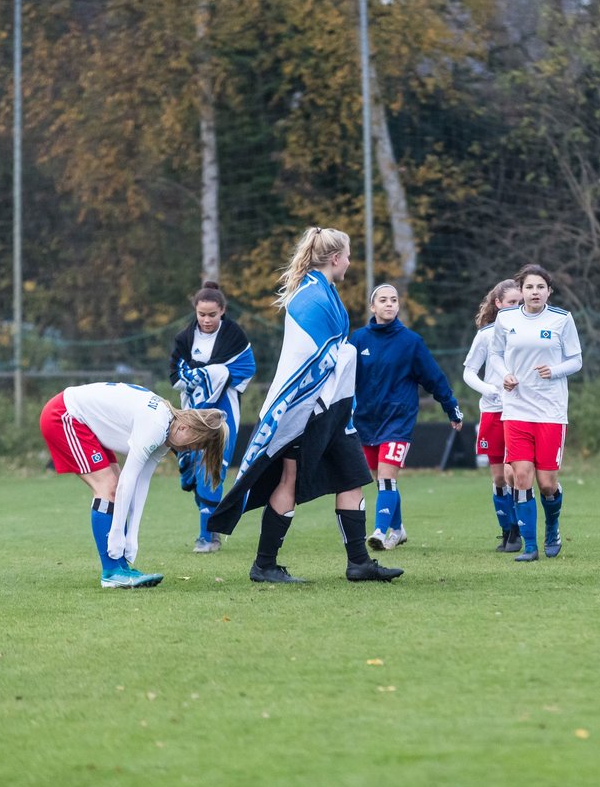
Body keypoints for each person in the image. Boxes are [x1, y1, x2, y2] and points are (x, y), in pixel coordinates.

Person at [207, 227, 402, 584]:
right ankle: (264, 565)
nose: (349, 261)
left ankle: (358, 563)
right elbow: (312, 359)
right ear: (334, 258)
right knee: (290, 479)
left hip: (332, 409)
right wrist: (345, 357)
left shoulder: (322, 291)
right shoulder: (312, 298)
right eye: (347, 255)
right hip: (304, 409)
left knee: (353, 476)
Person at [39, 382, 228, 589]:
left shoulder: (168, 430)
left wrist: (132, 537)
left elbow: (141, 482)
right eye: (193, 444)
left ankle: (121, 568)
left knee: (114, 485)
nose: (188, 450)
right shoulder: (156, 425)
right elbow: (127, 483)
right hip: (64, 415)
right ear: (184, 427)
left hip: (82, 420)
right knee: (109, 487)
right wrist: (118, 533)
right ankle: (111, 572)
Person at [350, 283, 464, 552]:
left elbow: (434, 378)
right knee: (381, 479)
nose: (389, 304)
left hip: (398, 421)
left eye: (394, 300)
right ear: (372, 307)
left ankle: (379, 531)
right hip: (366, 421)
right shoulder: (357, 340)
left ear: (398, 306)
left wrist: (451, 407)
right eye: (383, 300)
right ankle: (398, 529)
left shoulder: (411, 342)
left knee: (387, 477)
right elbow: (344, 380)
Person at [488, 263, 583, 561]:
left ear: (548, 291)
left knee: (546, 484)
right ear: (522, 290)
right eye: (529, 287)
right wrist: (504, 374)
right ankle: (530, 546)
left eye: (540, 287)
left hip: (551, 412)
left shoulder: (562, 319)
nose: (535, 292)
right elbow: (495, 354)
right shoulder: (506, 319)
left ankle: (552, 525)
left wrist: (554, 371)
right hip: (516, 408)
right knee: (521, 476)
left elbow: (576, 360)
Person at [169, 281, 256, 554]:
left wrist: (211, 374)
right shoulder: (184, 338)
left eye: (212, 315)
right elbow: (175, 374)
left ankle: (208, 537)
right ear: (195, 312)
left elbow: (246, 366)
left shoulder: (234, 336)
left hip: (222, 413)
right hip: (192, 412)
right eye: (202, 315)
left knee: (212, 465)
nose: (207, 320)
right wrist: (199, 376)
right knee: (193, 468)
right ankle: (211, 522)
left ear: (223, 311)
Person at [464, 279, 523, 552]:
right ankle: (506, 529)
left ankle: (518, 531)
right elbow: (469, 372)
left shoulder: (527, 332)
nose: (516, 307)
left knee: (515, 472)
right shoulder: (487, 335)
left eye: (519, 303)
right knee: (499, 477)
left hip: (521, 411)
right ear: (498, 304)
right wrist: (489, 390)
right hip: (493, 411)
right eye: (511, 302)